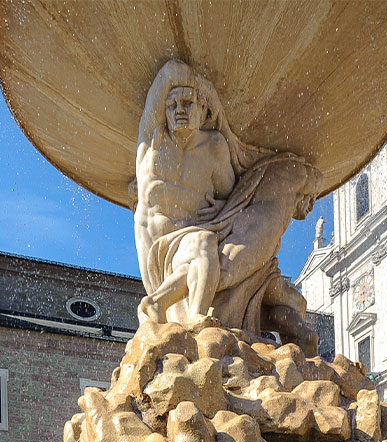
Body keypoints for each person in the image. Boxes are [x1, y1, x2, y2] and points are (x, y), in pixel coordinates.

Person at [132, 60, 322, 342]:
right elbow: (170, 71)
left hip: (197, 237)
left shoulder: (215, 148)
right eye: (171, 105)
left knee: (212, 248)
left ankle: (171, 310)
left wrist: (224, 209)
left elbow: (232, 198)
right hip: (159, 244)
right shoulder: (152, 139)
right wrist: (206, 90)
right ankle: (195, 324)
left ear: (203, 110)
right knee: (205, 244)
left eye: (187, 103)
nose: (178, 111)